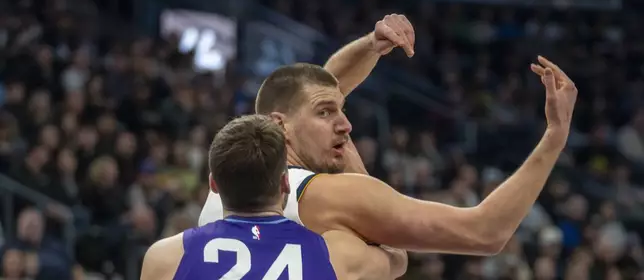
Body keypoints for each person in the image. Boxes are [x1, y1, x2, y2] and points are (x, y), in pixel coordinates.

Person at [200, 53, 577, 255]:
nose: (346, 126)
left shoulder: (225, 185)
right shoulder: (331, 195)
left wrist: (373, 45)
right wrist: (555, 136)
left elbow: (316, 88)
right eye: (328, 113)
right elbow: (485, 233)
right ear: (281, 126)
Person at [141, 114, 406, 280]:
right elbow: (397, 256)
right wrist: (348, 155)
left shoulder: (166, 257)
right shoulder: (337, 255)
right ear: (285, 183)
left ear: (213, 185)